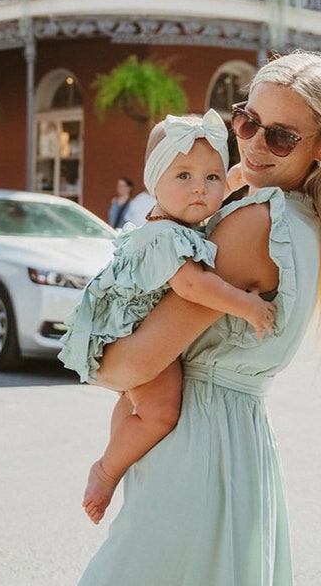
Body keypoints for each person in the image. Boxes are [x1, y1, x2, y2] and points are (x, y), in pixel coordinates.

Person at [76, 50, 321, 586]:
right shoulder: (308, 226)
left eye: (281, 136)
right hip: (242, 447)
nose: (256, 143)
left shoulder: (255, 224)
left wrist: (97, 357)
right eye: (248, 121)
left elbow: (132, 364)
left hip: (196, 448)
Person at [59, 108, 277, 525]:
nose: (200, 189)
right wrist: (246, 304)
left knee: (135, 402)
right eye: (183, 177)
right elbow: (194, 287)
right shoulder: (165, 236)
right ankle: (106, 470)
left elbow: (226, 182)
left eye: (210, 178)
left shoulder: (175, 219)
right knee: (161, 412)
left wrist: (237, 179)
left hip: (130, 330)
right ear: (153, 182)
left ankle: (119, 457)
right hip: (130, 332)